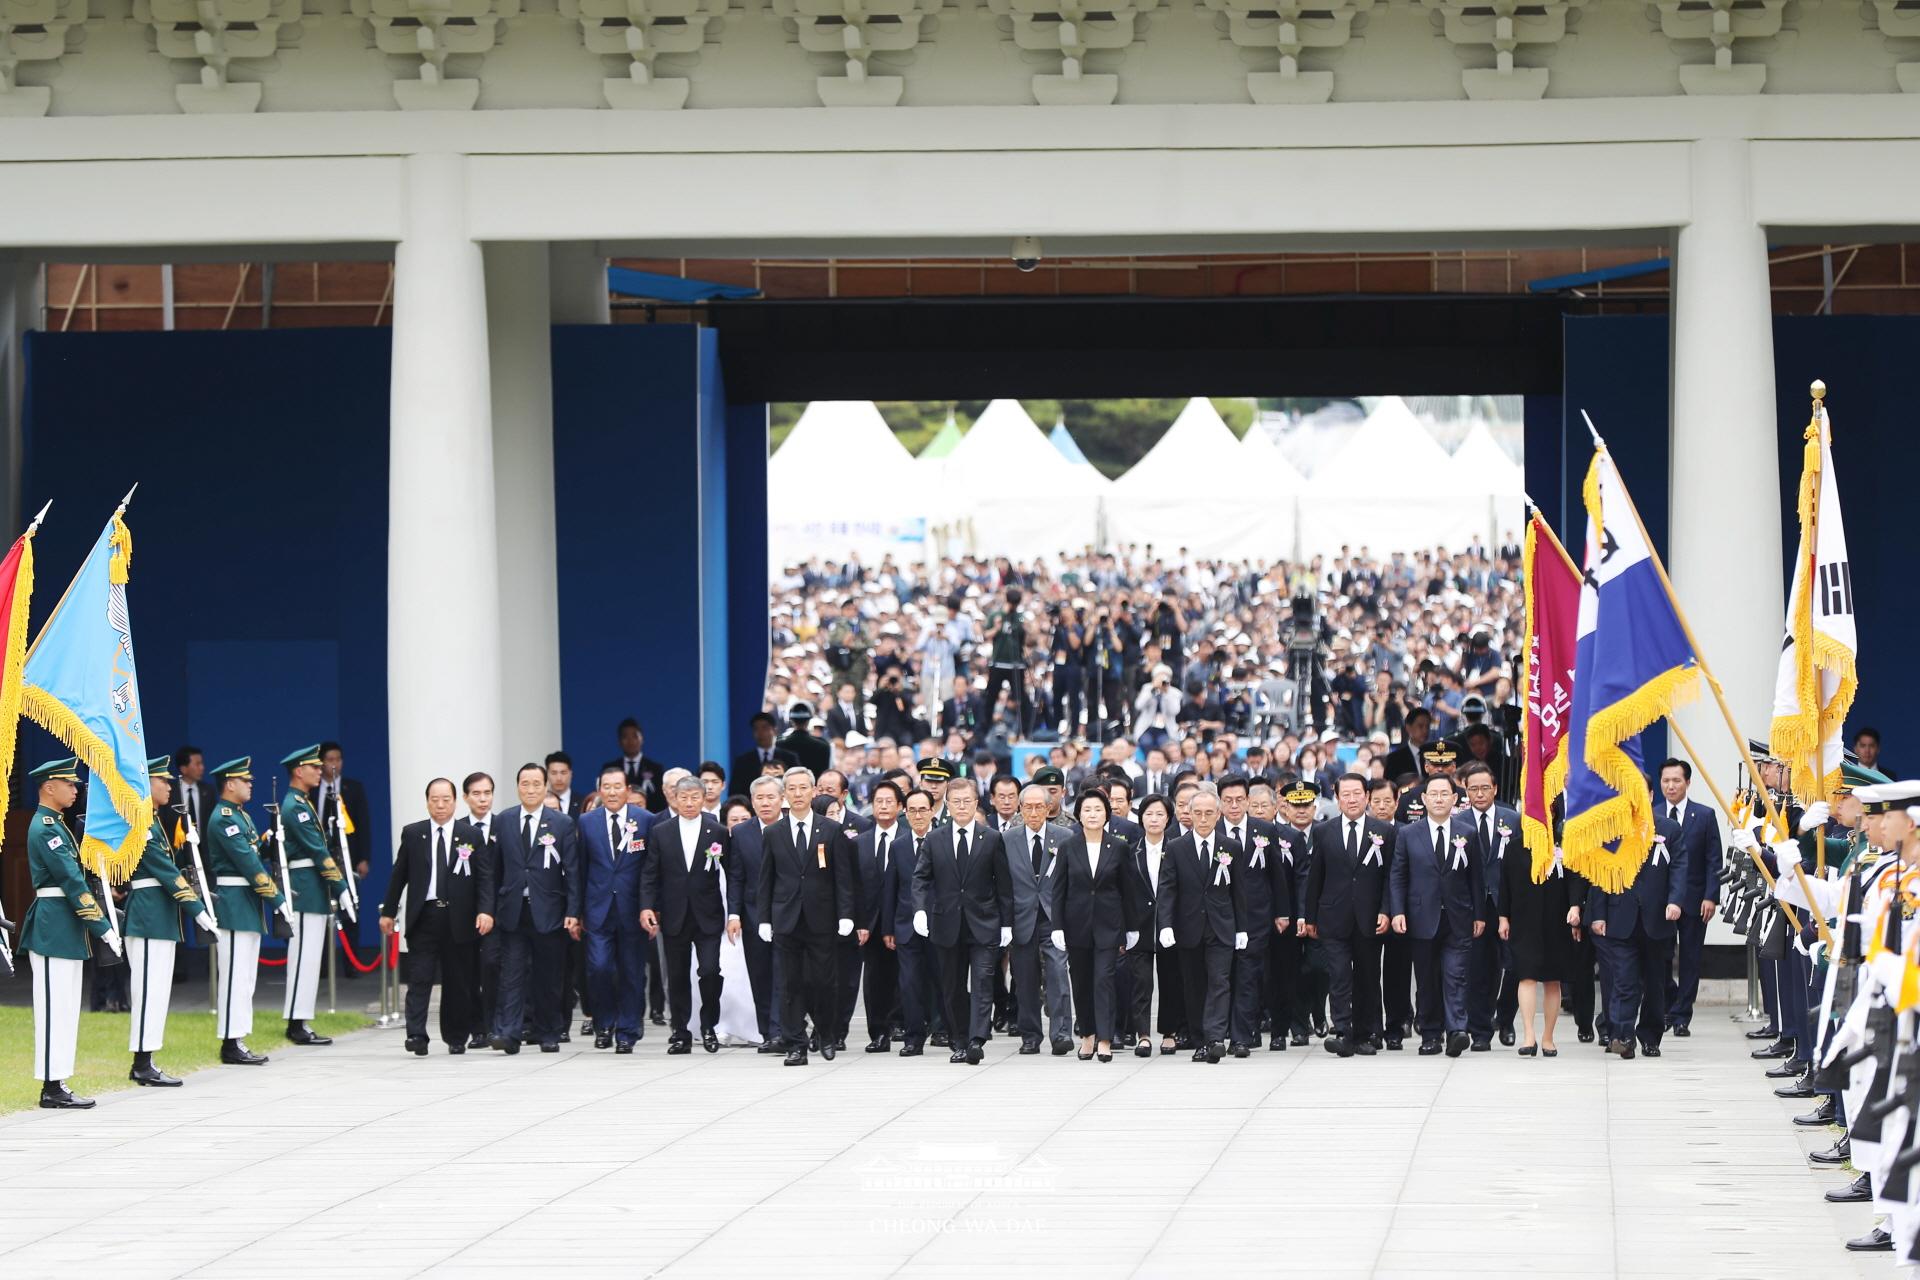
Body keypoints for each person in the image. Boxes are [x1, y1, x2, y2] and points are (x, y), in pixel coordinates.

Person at [22, 757, 120, 1108]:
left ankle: (59, 1080)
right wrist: (103, 926)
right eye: (69, 784)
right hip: (52, 927)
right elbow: (70, 881)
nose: (75, 789)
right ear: (49, 787)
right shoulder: (45, 827)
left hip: (66, 926)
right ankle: (51, 1086)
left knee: (65, 1008)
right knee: (52, 1009)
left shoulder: (59, 825)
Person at [381, 777, 495, 1055]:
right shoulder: (413, 834)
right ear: (427, 801)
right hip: (425, 916)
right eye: (435, 799)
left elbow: (484, 878)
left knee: (458, 981)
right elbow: (399, 876)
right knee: (419, 977)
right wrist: (388, 911)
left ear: (456, 802)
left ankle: (456, 1036)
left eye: (446, 800)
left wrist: (485, 910)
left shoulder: (470, 835)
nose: (441, 805)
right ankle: (416, 1035)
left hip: (459, 918)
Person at [125, 756, 215, 1087]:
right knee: (148, 990)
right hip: (149, 917)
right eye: (161, 780)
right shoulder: (141, 824)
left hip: (159, 916)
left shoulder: (155, 823)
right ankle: (142, 1062)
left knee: (158, 989)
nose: (168, 786)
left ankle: (147, 1059)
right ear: (145, 784)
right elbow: (166, 874)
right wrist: (199, 911)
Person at [756, 767, 855, 1066]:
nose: (798, 794)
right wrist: (764, 918)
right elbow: (766, 879)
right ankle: (795, 1043)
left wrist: (846, 914)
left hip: (822, 918)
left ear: (814, 792)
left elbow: (843, 878)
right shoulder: (774, 832)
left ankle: (825, 1033)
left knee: (824, 982)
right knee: (790, 984)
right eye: (792, 789)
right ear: (785, 794)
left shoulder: (831, 830)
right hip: (787, 918)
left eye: (803, 788)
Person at [911, 771, 1008, 1065]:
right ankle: (960, 1039)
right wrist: (919, 910)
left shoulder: (991, 839)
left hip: (984, 922)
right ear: (948, 805)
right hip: (946, 923)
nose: (962, 806)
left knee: (982, 981)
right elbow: (921, 879)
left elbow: (1004, 884)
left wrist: (1007, 923)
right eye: (956, 802)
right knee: (952, 986)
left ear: (976, 803)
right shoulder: (935, 838)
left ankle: (978, 1038)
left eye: (967, 801)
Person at [1389, 772, 1486, 1058]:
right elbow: (1398, 876)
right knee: (1427, 978)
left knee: (1456, 975)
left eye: (1446, 794)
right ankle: (1430, 1033)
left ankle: (1456, 1030)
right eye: (1434, 794)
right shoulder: (1408, 834)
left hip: (1458, 916)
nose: (1440, 799)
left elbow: (1476, 879)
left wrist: (1479, 914)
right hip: (1421, 917)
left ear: (1455, 799)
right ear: (1424, 799)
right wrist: (1397, 912)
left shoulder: (1467, 833)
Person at [201, 756, 291, 1066]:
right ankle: (230, 1041)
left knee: (247, 976)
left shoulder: (242, 816)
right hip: (235, 902)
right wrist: (277, 898)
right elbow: (248, 864)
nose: (251, 784)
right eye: (245, 781)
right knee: (235, 976)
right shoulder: (224, 818)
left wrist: (271, 839)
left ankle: (238, 1036)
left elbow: (256, 852)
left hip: (247, 903)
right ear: (230, 784)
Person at [641, 774, 740, 1054]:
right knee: (677, 975)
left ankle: (709, 1026)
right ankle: (681, 1031)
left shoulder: (717, 831)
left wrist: (734, 913)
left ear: (703, 797)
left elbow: (732, 875)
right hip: (673, 914)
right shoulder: (662, 831)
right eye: (683, 797)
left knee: (710, 971)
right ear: (674, 798)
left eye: (694, 797)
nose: (689, 803)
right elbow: (650, 873)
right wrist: (647, 905)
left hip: (708, 914)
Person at [489, 762, 582, 1054]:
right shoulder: (503, 820)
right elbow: (495, 869)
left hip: (550, 911)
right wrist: (491, 907)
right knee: (512, 974)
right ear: (517, 787)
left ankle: (549, 1032)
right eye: (525, 784)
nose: (530, 789)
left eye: (536, 784)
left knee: (548, 976)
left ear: (545, 787)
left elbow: (572, 871)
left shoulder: (562, 823)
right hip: (514, 909)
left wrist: (573, 911)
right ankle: (509, 1033)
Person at [1582, 809, 1689, 1059]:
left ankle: (1650, 1037)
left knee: (1655, 983)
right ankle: (1623, 1036)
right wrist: (1598, 914)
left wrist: (1675, 901)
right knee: (1623, 980)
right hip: (1620, 916)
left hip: (1656, 919)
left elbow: (1679, 868)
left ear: (1650, 796)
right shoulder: (1611, 829)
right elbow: (1600, 873)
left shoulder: (1669, 828)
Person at [1303, 773, 1392, 1057]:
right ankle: (1342, 1030)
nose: (1352, 799)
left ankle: (1366, 1034)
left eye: (1357, 794)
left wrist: (1386, 911)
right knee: (1339, 975)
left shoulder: (1385, 831)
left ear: (1367, 796)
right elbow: (1315, 876)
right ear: (1337, 798)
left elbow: (1391, 877)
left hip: (1369, 918)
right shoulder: (1323, 831)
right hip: (1333, 916)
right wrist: (1310, 917)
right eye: (1346, 794)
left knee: (1367, 976)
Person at [1049, 787, 1140, 1062]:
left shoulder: (1119, 847)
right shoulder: (1068, 847)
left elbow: (1129, 890)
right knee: (1082, 982)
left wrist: (1132, 927)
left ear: (1107, 814)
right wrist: (1056, 926)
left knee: (1104, 980)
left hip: (1109, 926)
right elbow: (1058, 890)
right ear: (1078, 814)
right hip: (1076, 925)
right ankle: (1087, 1034)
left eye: (1098, 809)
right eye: (1087, 809)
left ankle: (1104, 1038)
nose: (1092, 814)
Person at [273, 744, 355, 1047]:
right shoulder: (295, 806)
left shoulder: (301, 802)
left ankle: (301, 1019)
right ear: (299, 771)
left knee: (309, 958)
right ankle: (296, 1022)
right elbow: (317, 852)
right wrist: (341, 887)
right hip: (305, 890)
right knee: (303, 957)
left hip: (312, 889)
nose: (320, 771)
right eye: (314, 767)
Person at [1157, 785, 1246, 1063]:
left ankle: (1215, 1037)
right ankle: (1201, 1038)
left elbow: (1240, 891)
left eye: (1209, 813)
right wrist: (1166, 924)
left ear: (1218, 815)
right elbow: (1167, 888)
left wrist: (1242, 927)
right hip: (1188, 927)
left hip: (1221, 926)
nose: (1204, 818)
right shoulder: (1176, 847)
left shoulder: (1231, 847)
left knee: (1220, 981)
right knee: (1194, 986)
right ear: (1190, 814)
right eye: (1198, 813)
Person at [579, 764, 653, 1052]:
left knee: (632, 973)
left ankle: (627, 1031)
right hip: (597, 909)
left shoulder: (645, 820)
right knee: (598, 969)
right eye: (606, 787)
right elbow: (580, 868)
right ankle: (604, 1023)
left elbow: (650, 869)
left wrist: (651, 908)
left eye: (616, 786)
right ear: (600, 790)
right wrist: (576, 912)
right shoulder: (586, 822)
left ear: (628, 790)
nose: (611, 792)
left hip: (633, 908)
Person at [1216, 773, 1289, 1058]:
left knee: (1248, 977)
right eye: (1228, 801)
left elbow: (1276, 875)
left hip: (1257, 916)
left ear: (1247, 801)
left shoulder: (1264, 830)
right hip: (1221, 917)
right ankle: (1219, 1031)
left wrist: (1282, 912)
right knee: (1224, 977)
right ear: (1220, 803)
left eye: (1239, 800)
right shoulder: (1213, 830)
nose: (1234, 806)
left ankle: (1241, 1037)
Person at [1497, 814, 1577, 1058]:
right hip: (1524, 920)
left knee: (1553, 979)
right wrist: (1503, 916)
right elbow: (1505, 884)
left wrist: (1575, 906)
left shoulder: (1565, 844)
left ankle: (1548, 1038)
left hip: (1557, 919)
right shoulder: (1516, 847)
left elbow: (1576, 879)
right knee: (1527, 976)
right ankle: (1529, 1035)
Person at [1656, 757, 1722, 1037]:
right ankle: (1670, 1003)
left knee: (1691, 959)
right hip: (1661, 900)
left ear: (1688, 782)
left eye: (1676, 780)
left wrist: (1711, 896)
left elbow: (1713, 859)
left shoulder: (1704, 815)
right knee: (1660, 957)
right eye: (1666, 781)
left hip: (1695, 899)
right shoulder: (1653, 813)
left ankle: (1682, 1015)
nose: (1670, 786)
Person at [1456, 761, 1519, 1051]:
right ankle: (1480, 1031)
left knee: (1516, 966)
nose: (1479, 794)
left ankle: (1505, 1019)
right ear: (1465, 791)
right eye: (1473, 789)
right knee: (1478, 968)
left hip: (1508, 903)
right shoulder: (1459, 822)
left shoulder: (1512, 819)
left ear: (1494, 788)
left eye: (1484, 788)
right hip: (1474, 906)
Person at [847, 780, 905, 1053]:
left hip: (903, 920)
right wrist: (859, 922)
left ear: (900, 806)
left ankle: (902, 1024)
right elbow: (853, 886)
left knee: (904, 976)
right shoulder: (859, 842)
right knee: (873, 980)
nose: (883, 806)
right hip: (870, 923)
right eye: (878, 801)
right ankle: (878, 1031)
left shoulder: (908, 838)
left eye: (889, 801)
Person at [1125, 794, 1183, 1056]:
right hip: (1140, 924)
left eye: (1160, 814)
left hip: (1171, 923)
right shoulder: (1130, 851)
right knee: (1140, 981)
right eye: (1149, 814)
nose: (1154, 819)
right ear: (1141, 818)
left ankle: (1169, 1032)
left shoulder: (1178, 848)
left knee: (1171, 978)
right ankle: (1143, 1034)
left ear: (1168, 818)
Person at [730, 778, 785, 1051]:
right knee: (761, 975)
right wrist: (733, 914)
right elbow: (736, 878)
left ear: (781, 799)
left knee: (783, 973)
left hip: (788, 913)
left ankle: (780, 1031)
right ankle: (767, 1031)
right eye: (759, 798)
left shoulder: (791, 827)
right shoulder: (741, 833)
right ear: (752, 802)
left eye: (770, 797)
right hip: (753, 915)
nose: (765, 802)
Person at [884, 787, 939, 1056]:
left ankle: (945, 1031)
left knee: (943, 981)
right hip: (906, 925)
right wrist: (888, 928)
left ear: (932, 811)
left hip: (940, 924)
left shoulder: (942, 840)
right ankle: (913, 1037)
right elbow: (891, 888)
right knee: (909, 983)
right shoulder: (899, 845)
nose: (918, 815)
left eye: (923, 810)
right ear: (905, 812)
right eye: (913, 810)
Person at [459, 771, 500, 1050]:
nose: (482, 799)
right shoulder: (457, 829)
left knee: (493, 967)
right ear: (465, 797)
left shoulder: (505, 825)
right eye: (476, 793)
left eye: (487, 793)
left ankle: (496, 1025)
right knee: (468, 971)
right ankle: (477, 1029)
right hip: (464, 913)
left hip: (498, 912)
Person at [314, 742, 372, 879]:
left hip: (347, 853)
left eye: (338, 759)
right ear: (321, 763)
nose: (335, 764)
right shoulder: (312, 789)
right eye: (330, 760)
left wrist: (364, 858)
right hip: (320, 852)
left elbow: (363, 823)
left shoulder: (353, 788)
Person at [982, 586, 1029, 738]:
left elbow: (1027, 638)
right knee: (991, 697)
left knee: (1020, 698)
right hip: (998, 662)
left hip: (1016, 663)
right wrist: (997, 627)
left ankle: (1023, 730)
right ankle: (986, 728)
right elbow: (986, 635)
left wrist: (1025, 626)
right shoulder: (996, 615)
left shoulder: (1019, 617)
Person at [731, 712, 796, 797]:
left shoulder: (789, 758)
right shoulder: (742, 761)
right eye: (756, 729)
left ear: (774, 730)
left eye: (765, 728)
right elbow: (735, 792)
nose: (760, 732)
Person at [616, 718, 667, 811]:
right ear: (619, 741)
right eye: (625, 736)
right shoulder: (611, 768)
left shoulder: (656, 769)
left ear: (642, 738)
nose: (630, 740)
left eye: (634, 736)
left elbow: (661, 802)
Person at [544, 750, 583, 818]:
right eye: (554, 773)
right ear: (547, 774)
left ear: (571, 774)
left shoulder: (583, 803)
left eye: (563, 773)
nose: (559, 778)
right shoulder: (540, 802)